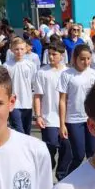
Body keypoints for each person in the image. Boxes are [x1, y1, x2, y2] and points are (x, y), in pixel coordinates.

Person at [59, 45, 95, 173]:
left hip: (92, 118)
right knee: (78, 155)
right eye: (82, 59)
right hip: (73, 120)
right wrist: (62, 124)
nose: (86, 62)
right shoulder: (67, 75)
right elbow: (62, 100)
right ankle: (68, 178)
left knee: (93, 154)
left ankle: (93, 180)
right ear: (75, 58)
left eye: (88, 58)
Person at [34, 41, 72, 178]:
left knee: (67, 149)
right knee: (49, 147)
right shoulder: (41, 73)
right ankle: (47, 168)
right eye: (49, 54)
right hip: (48, 118)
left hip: (67, 119)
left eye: (54, 54)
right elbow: (37, 96)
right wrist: (38, 116)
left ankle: (61, 175)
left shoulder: (68, 72)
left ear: (61, 55)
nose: (51, 57)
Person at [5, 38, 37, 136]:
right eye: (17, 49)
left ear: (26, 49)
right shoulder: (6, 65)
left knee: (27, 133)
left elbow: (34, 84)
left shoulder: (31, 65)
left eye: (22, 49)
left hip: (27, 102)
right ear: (11, 50)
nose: (19, 52)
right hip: (14, 104)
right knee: (19, 131)